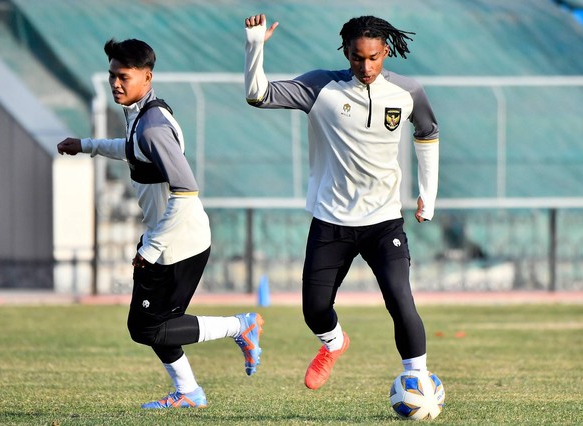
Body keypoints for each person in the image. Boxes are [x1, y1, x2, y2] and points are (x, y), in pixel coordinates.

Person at [57, 38, 263, 409]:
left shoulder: (152, 125)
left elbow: (186, 191)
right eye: (112, 76)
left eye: (123, 76)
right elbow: (132, 150)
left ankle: (240, 326)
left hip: (178, 244)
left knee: (147, 327)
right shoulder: (141, 114)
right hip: (166, 240)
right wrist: (86, 145)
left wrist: (151, 249)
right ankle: (189, 392)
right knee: (154, 324)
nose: (115, 84)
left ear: (147, 76)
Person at [243, 14, 439, 390]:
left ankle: (417, 381)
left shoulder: (407, 91)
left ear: (387, 52)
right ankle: (334, 343)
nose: (365, 66)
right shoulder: (321, 87)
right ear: (345, 52)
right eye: (356, 57)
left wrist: (427, 194)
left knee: (400, 300)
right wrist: (255, 47)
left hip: (383, 222)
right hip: (331, 221)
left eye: (374, 57)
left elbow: (428, 131)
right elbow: (258, 95)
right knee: (314, 310)